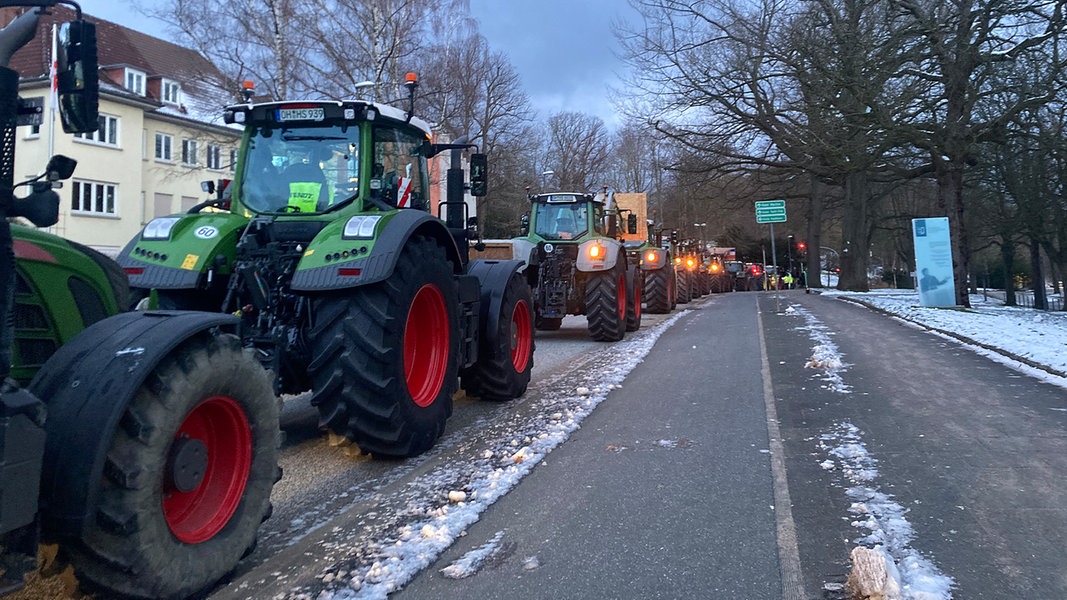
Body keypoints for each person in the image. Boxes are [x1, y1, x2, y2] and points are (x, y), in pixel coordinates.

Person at [283, 146, 332, 212]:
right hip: (318, 220)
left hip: (284, 219)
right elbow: (327, 204)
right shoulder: (320, 177)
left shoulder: (284, 177)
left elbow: (276, 201)